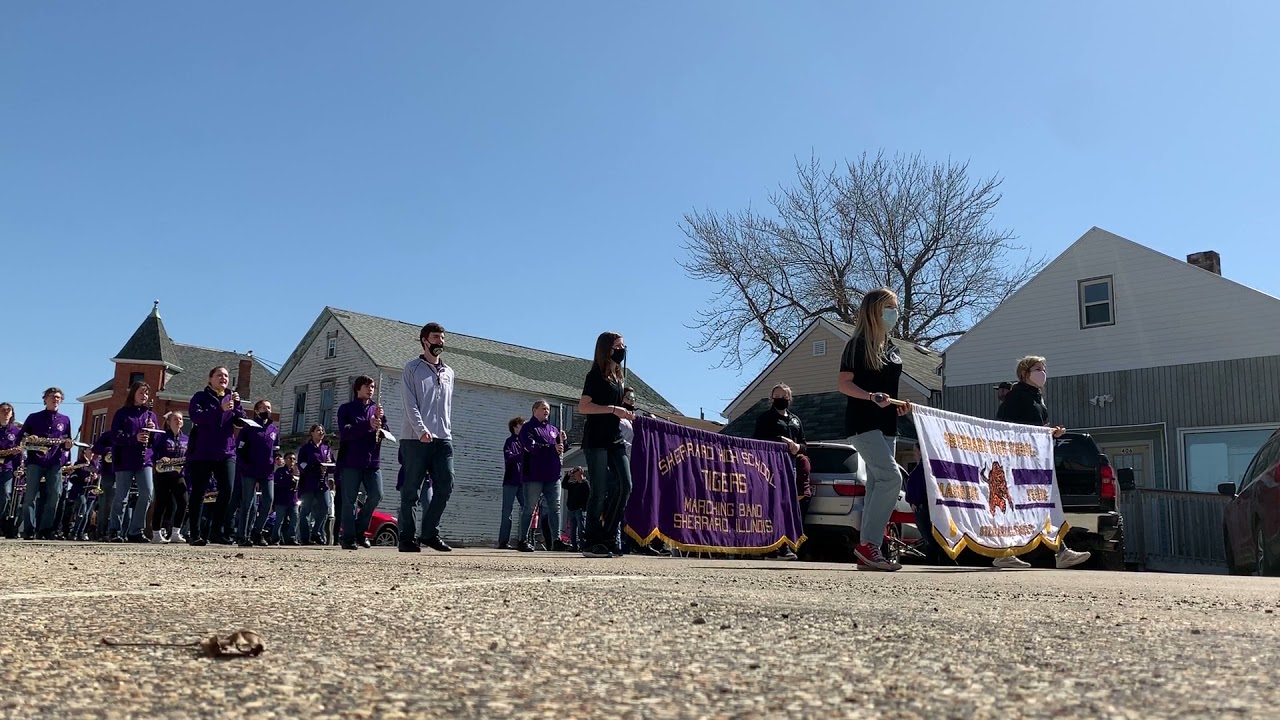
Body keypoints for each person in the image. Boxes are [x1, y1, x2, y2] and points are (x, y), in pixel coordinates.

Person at [836, 289, 913, 572]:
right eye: (889, 307)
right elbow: (844, 383)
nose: (894, 312)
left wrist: (897, 404)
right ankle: (869, 543)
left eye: (895, 307)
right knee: (891, 477)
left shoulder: (892, 347)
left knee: (877, 486)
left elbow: (889, 388)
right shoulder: (857, 344)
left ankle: (869, 550)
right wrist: (870, 396)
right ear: (874, 310)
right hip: (862, 424)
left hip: (888, 425)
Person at [992, 355, 1091, 571]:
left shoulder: (1037, 398)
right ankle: (1053, 552)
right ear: (1025, 373)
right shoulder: (1016, 397)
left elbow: (1036, 427)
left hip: (1035, 460)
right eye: (1038, 368)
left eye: (1044, 368)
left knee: (1038, 506)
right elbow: (1004, 428)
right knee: (1031, 506)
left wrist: (1051, 432)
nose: (1042, 372)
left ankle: (1014, 553)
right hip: (1018, 462)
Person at [399, 322, 456, 553]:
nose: (440, 341)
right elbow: (410, 403)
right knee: (411, 490)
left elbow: (447, 406)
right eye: (435, 337)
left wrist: (446, 431)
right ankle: (407, 538)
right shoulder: (412, 369)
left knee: (446, 485)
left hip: (443, 438)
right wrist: (421, 429)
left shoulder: (449, 372)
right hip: (415, 439)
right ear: (424, 340)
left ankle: (430, 532)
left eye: (442, 338)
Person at [577, 331, 634, 558]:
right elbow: (583, 407)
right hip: (596, 439)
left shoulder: (619, 378)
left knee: (625, 485)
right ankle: (592, 540)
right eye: (618, 346)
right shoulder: (594, 376)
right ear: (606, 349)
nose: (623, 350)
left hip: (615, 438)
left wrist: (626, 413)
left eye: (623, 346)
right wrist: (612, 409)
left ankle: (609, 535)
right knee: (599, 491)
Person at [186, 366, 246, 546]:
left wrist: (238, 408)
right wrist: (220, 409)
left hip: (226, 451)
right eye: (219, 375)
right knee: (198, 492)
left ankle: (216, 531)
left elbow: (239, 421)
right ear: (210, 379)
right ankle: (195, 533)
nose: (223, 378)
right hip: (203, 452)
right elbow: (197, 418)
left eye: (226, 376)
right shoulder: (200, 397)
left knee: (227, 490)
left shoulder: (231, 398)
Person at [752, 382, 809, 561]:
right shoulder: (764, 419)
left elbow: (805, 445)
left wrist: (797, 447)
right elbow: (757, 442)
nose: (781, 399)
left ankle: (785, 546)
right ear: (771, 399)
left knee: (786, 506)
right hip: (769, 467)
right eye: (777, 396)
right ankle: (769, 547)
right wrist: (779, 440)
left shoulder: (795, 420)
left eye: (784, 397)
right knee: (771, 506)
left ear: (789, 399)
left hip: (789, 467)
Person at [18, 388, 75, 540]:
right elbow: (21, 436)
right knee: (30, 495)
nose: (55, 399)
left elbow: (66, 441)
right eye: (52, 397)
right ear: (45, 399)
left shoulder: (65, 419)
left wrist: (68, 445)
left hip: (54, 462)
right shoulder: (33, 417)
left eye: (58, 397)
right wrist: (31, 437)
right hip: (35, 461)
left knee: (55, 494)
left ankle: (45, 528)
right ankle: (29, 529)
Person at [337, 376, 386, 550]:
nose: (370, 389)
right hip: (351, 460)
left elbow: (385, 431)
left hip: (372, 460)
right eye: (367, 386)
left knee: (376, 495)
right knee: (350, 500)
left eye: (372, 386)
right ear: (358, 388)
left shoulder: (376, 410)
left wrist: (380, 425)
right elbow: (345, 432)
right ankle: (348, 538)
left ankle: (360, 530)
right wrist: (368, 424)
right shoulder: (347, 409)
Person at [106, 381, 158, 543]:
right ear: (133, 394)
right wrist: (134, 438)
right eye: (141, 393)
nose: (144, 396)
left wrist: (152, 430)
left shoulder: (151, 416)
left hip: (144, 459)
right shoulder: (122, 413)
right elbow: (115, 436)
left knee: (147, 493)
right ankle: (115, 530)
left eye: (146, 393)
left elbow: (156, 440)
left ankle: (136, 530)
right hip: (125, 458)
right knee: (122, 496)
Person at [516, 400, 565, 552]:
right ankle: (522, 540)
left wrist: (563, 440)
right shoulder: (528, 428)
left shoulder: (553, 429)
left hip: (552, 474)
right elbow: (530, 446)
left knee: (555, 507)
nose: (547, 411)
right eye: (543, 408)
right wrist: (552, 447)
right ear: (534, 410)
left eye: (548, 409)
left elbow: (561, 450)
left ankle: (556, 540)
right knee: (529, 508)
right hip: (534, 474)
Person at [235, 400, 280, 547]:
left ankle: (257, 531)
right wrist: (244, 465)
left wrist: (277, 458)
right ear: (256, 410)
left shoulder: (274, 429)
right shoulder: (248, 428)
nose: (266, 409)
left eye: (269, 407)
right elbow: (240, 449)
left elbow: (276, 450)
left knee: (268, 500)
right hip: (250, 470)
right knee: (248, 503)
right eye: (263, 407)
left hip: (267, 471)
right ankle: (242, 535)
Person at [151, 412, 189, 543]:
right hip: (163, 474)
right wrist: (160, 458)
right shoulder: (161, 437)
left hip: (178, 474)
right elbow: (153, 453)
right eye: (175, 419)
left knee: (183, 502)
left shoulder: (186, 439)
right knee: (161, 503)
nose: (178, 421)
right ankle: (156, 533)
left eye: (180, 419)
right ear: (169, 422)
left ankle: (176, 533)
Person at [297, 425, 334, 545]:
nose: (321, 432)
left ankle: (316, 532)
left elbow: (333, 465)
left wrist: (329, 466)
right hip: (309, 483)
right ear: (312, 433)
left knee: (325, 507)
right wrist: (313, 468)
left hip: (323, 483)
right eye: (318, 430)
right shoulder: (306, 449)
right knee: (305, 511)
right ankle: (305, 537)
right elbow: (301, 464)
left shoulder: (327, 448)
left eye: (322, 430)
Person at [498, 416, 526, 550]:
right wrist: (522, 454)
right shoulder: (509, 442)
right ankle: (503, 541)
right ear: (515, 427)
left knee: (527, 509)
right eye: (522, 425)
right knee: (507, 511)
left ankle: (525, 540)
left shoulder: (526, 442)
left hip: (523, 481)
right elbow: (509, 458)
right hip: (510, 480)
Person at [89, 429, 116, 541]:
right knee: (106, 505)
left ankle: (116, 532)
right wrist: (108, 450)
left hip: (125, 473)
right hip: (109, 473)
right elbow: (95, 448)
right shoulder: (109, 435)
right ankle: (102, 532)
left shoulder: (133, 435)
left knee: (119, 505)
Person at [0, 402, 21, 539]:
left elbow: (20, 453)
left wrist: (19, 467)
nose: (6, 412)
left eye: (9, 410)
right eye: (3, 410)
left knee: (5, 495)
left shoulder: (16, 431)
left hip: (7, 468)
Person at [271, 452, 301, 546]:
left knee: (294, 519)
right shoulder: (280, 471)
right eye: (289, 458)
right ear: (285, 460)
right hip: (282, 499)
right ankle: (276, 538)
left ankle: (291, 538)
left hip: (293, 500)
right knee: (279, 520)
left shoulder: (297, 471)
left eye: (293, 459)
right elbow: (276, 485)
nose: (291, 460)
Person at [561, 466, 590, 551]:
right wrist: (568, 475)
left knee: (581, 529)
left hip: (580, 510)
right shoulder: (573, 484)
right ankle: (574, 546)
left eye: (576, 472)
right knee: (573, 530)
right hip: (571, 509)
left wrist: (584, 508)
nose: (574, 474)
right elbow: (564, 485)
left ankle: (583, 546)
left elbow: (588, 496)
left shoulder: (585, 484)